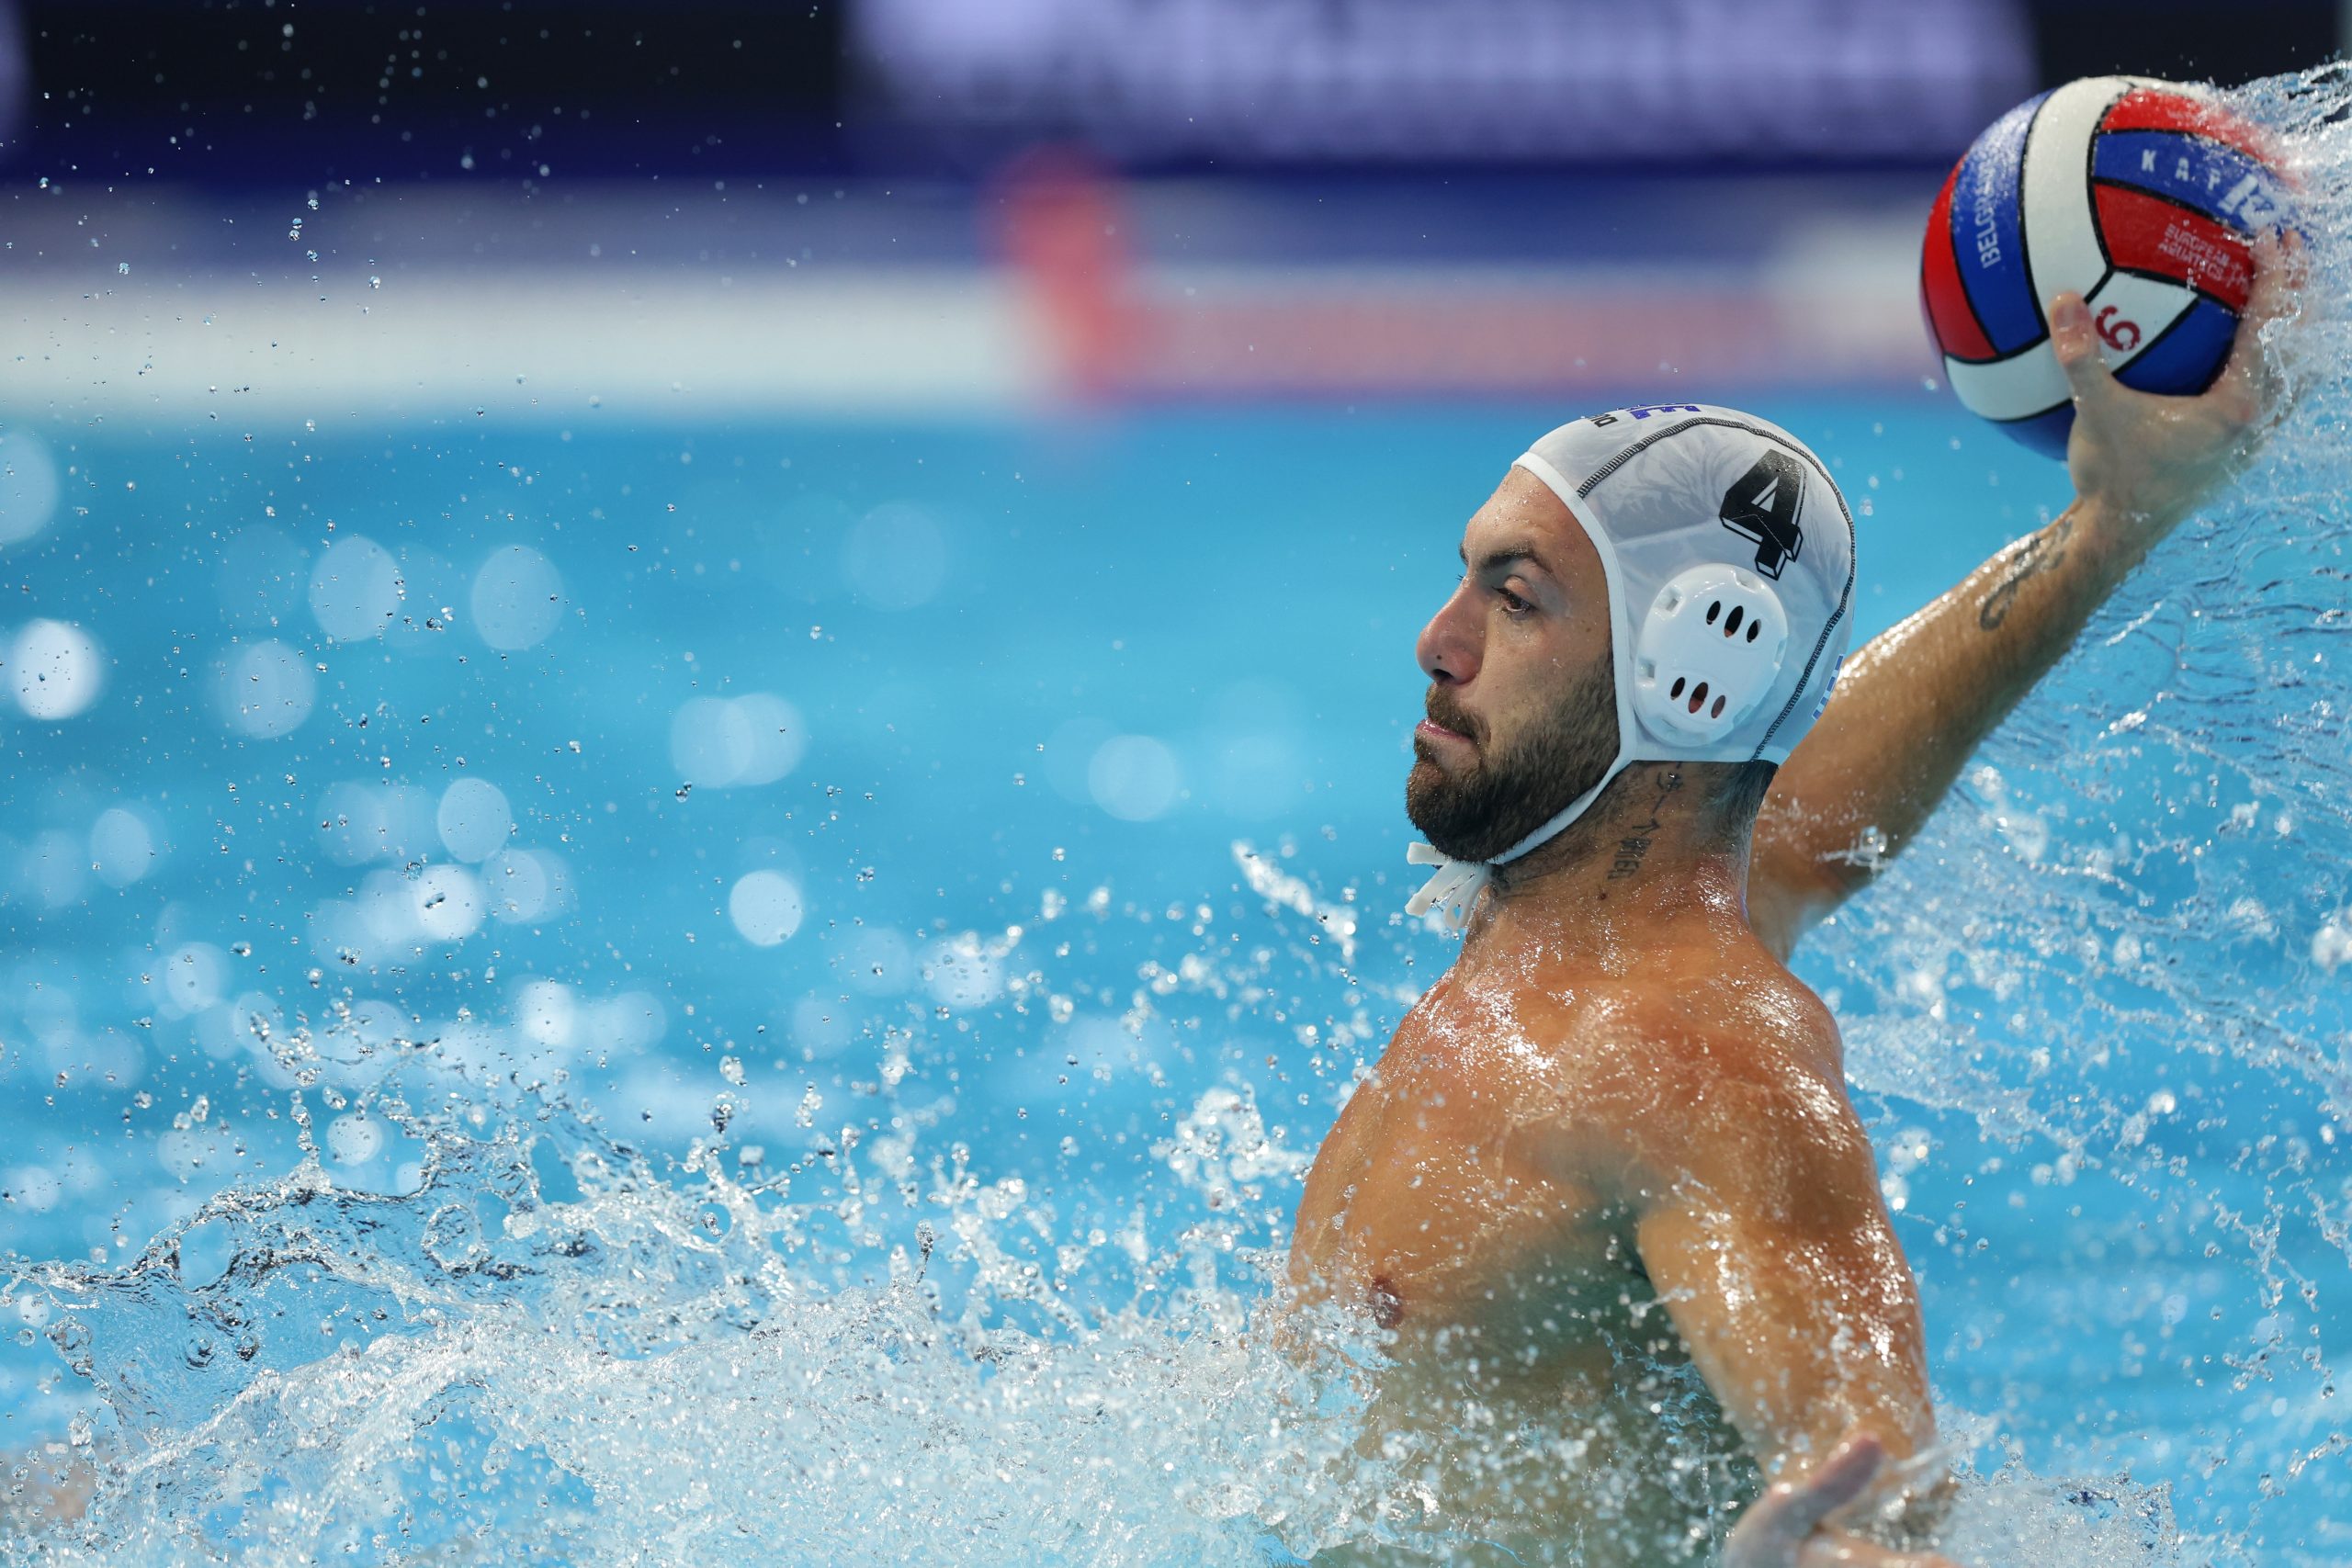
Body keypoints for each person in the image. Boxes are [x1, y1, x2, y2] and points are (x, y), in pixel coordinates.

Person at [1281, 265, 2294, 1567]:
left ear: (1687, 673)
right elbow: (1807, 806)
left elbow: (1870, 1483)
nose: (1441, 638)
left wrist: (1830, 1549)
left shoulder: (1695, 1062)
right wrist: (2112, 525)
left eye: (1515, 597)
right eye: (1467, 580)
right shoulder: (1593, 920)